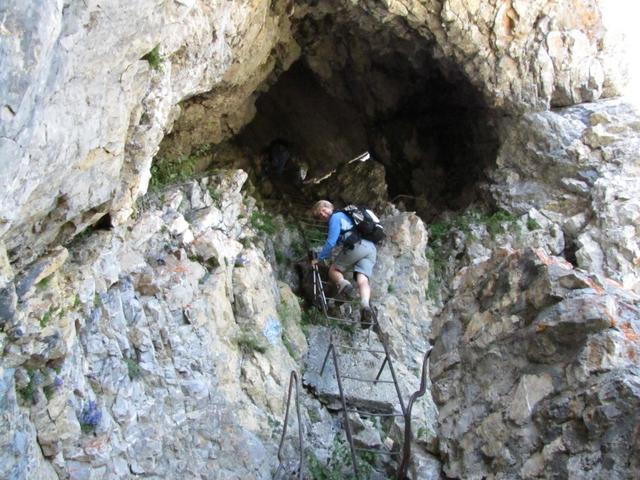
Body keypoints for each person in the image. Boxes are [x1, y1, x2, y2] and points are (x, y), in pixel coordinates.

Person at [310, 200, 377, 323]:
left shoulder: (335, 217)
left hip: (357, 245)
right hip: (371, 249)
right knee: (362, 279)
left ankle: (345, 286)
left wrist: (319, 259)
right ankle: (365, 306)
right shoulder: (348, 215)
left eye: (324, 210)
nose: (323, 215)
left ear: (329, 207)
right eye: (320, 215)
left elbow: (331, 242)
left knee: (333, 270)